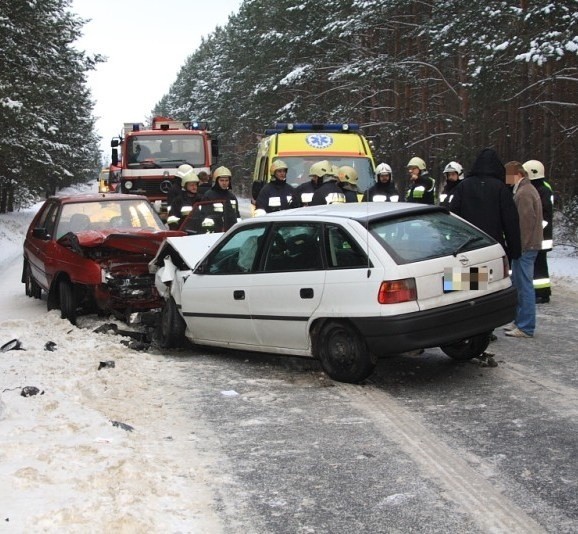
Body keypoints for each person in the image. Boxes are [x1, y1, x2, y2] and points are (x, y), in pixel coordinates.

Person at [449, 148, 521, 262]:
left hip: (466, 246)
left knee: (462, 277)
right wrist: (514, 250)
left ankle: (462, 280)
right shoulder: (501, 188)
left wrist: (452, 243)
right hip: (493, 245)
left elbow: (453, 214)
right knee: (491, 276)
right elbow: (510, 220)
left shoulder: (463, 186)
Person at [504, 161, 543, 338]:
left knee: (524, 285)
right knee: (519, 284)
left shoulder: (525, 192)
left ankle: (526, 326)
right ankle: (520, 321)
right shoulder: (523, 190)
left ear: (518, 174)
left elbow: (525, 223)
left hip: (525, 247)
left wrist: (519, 247)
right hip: (526, 246)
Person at [523, 159, 554, 304]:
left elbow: (545, 214)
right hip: (540, 234)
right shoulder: (542, 187)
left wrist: (534, 229)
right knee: (538, 263)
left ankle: (542, 293)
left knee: (539, 264)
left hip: (541, 235)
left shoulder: (542, 190)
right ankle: (540, 292)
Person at [202, 166, 241, 231]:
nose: (224, 183)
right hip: (213, 231)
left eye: (226, 180)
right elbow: (204, 214)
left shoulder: (231, 196)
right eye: (221, 180)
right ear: (217, 181)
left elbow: (236, 214)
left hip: (230, 230)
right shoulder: (209, 195)